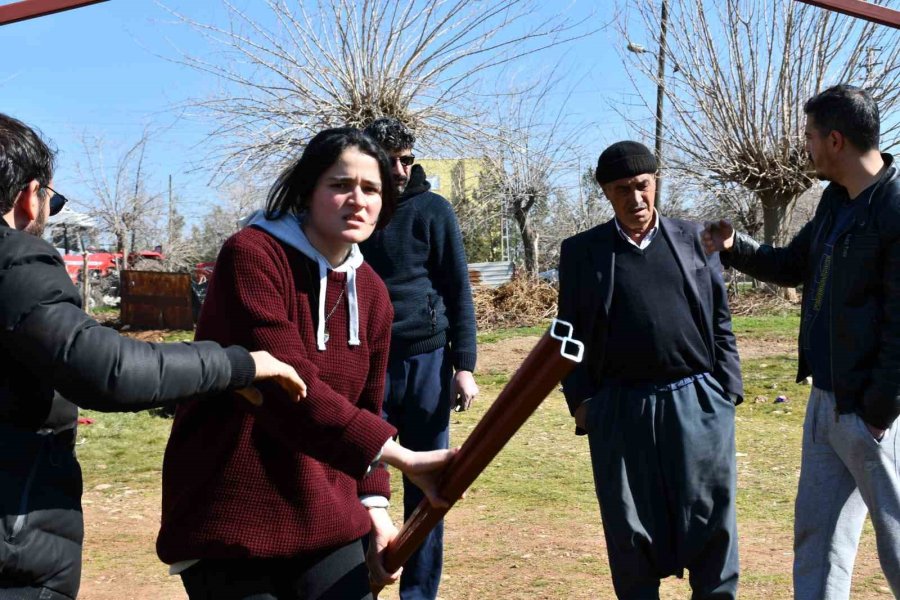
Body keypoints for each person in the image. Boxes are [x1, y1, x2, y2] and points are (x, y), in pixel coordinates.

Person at [0, 113, 306, 600]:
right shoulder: (13, 257)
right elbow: (107, 368)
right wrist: (240, 363)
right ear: (26, 195)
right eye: (51, 203)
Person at [156, 127, 457, 600]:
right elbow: (289, 387)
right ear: (307, 191)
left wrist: (375, 508)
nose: (357, 200)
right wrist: (402, 457)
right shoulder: (252, 256)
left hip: (327, 517)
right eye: (340, 185)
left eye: (372, 189)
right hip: (233, 516)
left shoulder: (373, 295)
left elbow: (367, 406)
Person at [702, 84, 900, 599]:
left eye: (810, 136)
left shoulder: (895, 209)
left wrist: (880, 410)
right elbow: (794, 265)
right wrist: (735, 247)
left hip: (876, 415)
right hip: (826, 404)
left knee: (898, 544)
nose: (804, 146)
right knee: (818, 543)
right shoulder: (837, 202)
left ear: (835, 140)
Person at [557, 141, 744, 599]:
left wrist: (726, 392)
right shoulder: (583, 252)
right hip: (620, 409)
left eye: (643, 185)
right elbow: (568, 333)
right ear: (605, 191)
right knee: (629, 531)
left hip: (697, 401)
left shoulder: (696, 239)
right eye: (622, 189)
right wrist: (583, 404)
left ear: (655, 181)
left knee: (710, 522)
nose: (636, 199)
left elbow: (720, 320)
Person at [360, 117, 478, 600]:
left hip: (428, 364)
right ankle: (361, 579)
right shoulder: (358, 211)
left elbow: (457, 289)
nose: (401, 168)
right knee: (364, 477)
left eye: (406, 158)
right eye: (391, 160)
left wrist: (464, 367)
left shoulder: (434, 210)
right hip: (368, 365)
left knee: (427, 486)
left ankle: (419, 592)